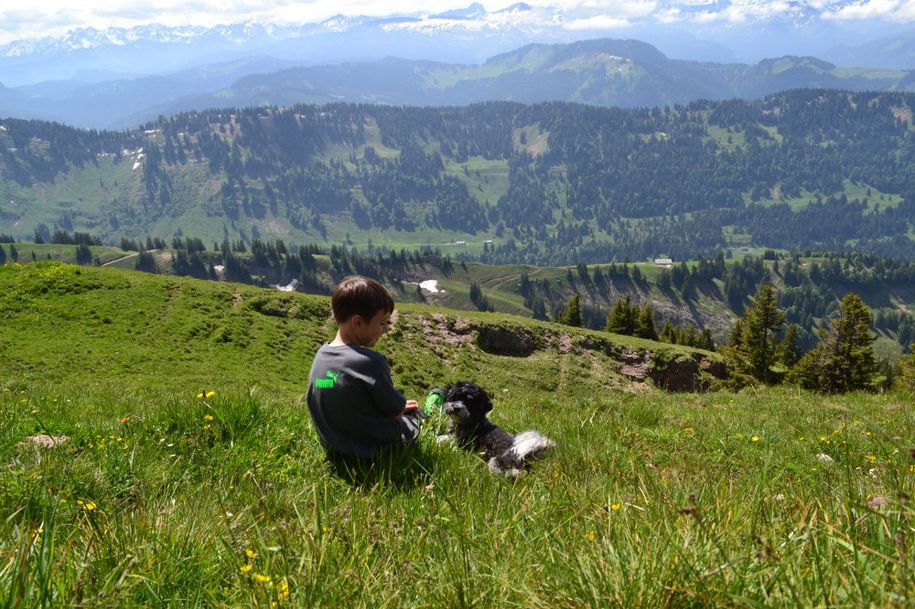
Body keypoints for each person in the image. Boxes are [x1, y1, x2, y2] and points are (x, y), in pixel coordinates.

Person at [306, 275, 421, 459]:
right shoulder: (370, 361)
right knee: (414, 417)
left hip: (335, 446)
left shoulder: (321, 356)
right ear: (358, 322)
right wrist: (402, 408)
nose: (386, 329)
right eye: (382, 322)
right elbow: (396, 410)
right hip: (374, 451)